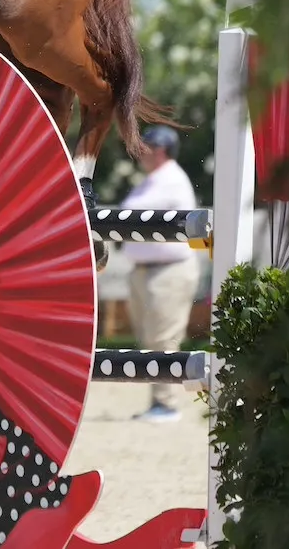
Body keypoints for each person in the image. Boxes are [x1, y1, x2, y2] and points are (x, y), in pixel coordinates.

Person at [118, 124, 201, 423]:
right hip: (146, 272)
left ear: (161, 150)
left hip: (168, 272)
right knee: (149, 340)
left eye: (147, 145)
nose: (141, 151)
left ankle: (166, 404)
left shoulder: (171, 179)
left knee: (163, 339)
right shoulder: (153, 180)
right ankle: (158, 401)